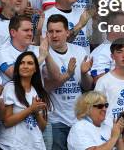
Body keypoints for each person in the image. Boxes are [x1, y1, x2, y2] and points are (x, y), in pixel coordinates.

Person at [43, 14, 93, 150]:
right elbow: (46, 87)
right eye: (51, 31)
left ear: (67, 32)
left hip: (78, 120)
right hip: (55, 122)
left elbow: (87, 86)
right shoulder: (43, 54)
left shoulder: (78, 50)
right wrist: (68, 74)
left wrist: (83, 73)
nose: (54, 35)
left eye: (58, 31)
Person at [0, 51, 49, 150]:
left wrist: (36, 113)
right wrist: (31, 109)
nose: (25, 66)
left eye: (30, 63)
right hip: (13, 146)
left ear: (35, 69)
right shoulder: (10, 87)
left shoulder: (38, 91)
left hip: (34, 146)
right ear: (17, 67)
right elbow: (7, 122)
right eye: (22, 63)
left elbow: (42, 127)